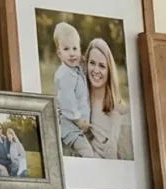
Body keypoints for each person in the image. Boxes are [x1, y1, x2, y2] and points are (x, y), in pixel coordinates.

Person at [51, 23, 94, 157]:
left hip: (77, 127)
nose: (72, 53)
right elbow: (67, 102)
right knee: (87, 153)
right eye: (66, 49)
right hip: (70, 126)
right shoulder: (65, 75)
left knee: (74, 153)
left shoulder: (74, 69)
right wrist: (78, 120)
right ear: (59, 53)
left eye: (75, 48)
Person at [83, 39, 130, 161]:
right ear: (86, 63)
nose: (96, 70)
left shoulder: (119, 109)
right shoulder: (79, 101)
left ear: (109, 70)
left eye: (102, 66)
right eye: (92, 63)